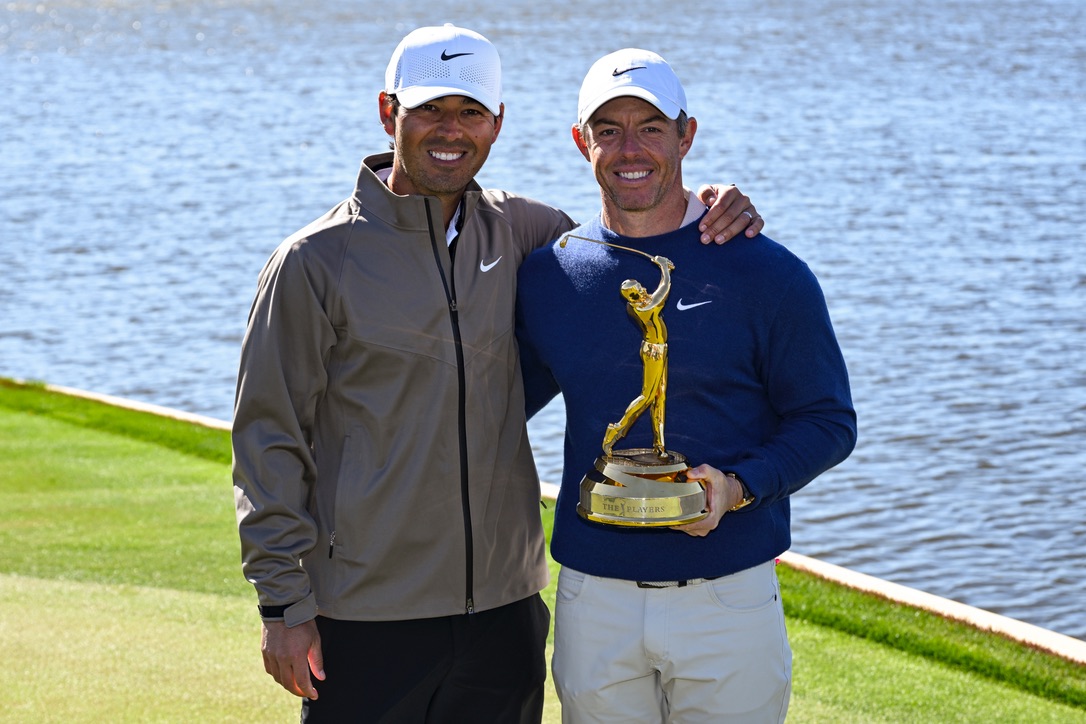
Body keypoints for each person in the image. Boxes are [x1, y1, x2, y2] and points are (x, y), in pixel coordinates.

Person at [231, 26, 763, 723]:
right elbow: (268, 439)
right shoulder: (314, 261)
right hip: (364, 613)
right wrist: (282, 604)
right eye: (429, 109)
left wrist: (709, 208)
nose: (451, 130)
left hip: (505, 613)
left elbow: (628, 236)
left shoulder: (527, 232)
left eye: (471, 111)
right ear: (389, 112)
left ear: (498, 123)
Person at [515, 49, 857, 722]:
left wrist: (738, 487)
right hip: (594, 599)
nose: (630, 149)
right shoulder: (548, 276)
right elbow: (492, 404)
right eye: (608, 130)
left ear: (686, 135)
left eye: (651, 127)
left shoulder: (767, 272)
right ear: (581, 141)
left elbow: (827, 421)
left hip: (727, 597)